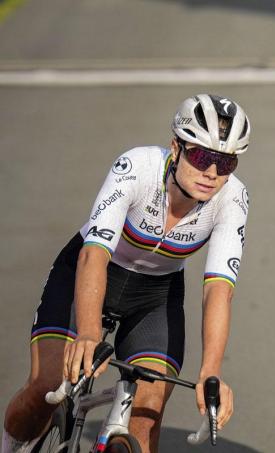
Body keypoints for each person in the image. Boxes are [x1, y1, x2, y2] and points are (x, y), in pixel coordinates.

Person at [2, 94, 251, 453]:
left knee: (146, 418)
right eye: (201, 156)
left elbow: (218, 290)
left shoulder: (233, 199)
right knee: (46, 388)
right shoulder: (136, 167)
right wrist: (87, 334)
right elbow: (93, 256)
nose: (212, 172)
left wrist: (210, 370)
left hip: (155, 296)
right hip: (88, 275)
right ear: (176, 147)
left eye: (226, 162)